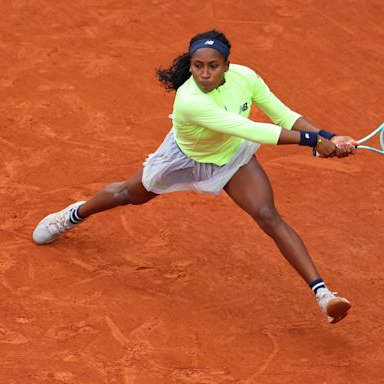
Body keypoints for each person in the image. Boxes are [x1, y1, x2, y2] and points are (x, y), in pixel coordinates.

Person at [32, 30, 358, 324]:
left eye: (212, 66)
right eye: (197, 65)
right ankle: (73, 214)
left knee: (268, 216)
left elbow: (283, 115)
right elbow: (251, 129)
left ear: (226, 66)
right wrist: (313, 141)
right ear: (190, 65)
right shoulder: (189, 100)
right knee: (128, 195)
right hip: (184, 159)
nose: (204, 73)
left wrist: (329, 135)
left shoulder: (246, 77)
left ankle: (324, 295)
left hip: (230, 156)